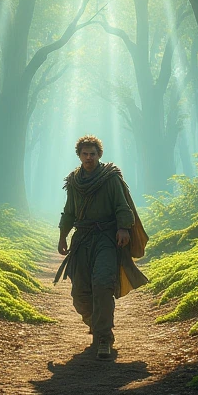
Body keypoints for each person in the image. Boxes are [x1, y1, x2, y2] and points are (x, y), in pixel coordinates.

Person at [55, 135, 148, 359]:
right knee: (80, 294)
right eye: (85, 154)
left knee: (103, 284)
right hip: (82, 240)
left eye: (93, 154)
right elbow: (69, 212)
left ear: (99, 155)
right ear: (79, 155)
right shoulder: (74, 182)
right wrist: (62, 236)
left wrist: (124, 228)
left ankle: (104, 338)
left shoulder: (110, 178)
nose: (89, 157)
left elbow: (121, 205)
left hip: (107, 239)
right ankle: (97, 325)